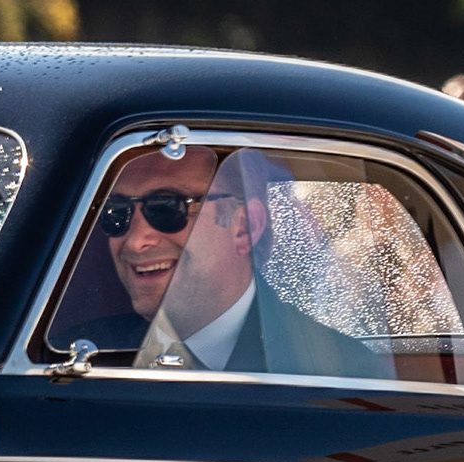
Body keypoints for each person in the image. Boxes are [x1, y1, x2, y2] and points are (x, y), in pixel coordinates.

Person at [80, 148, 389, 378]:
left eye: (165, 208)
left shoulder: (343, 372)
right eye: (116, 213)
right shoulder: (76, 356)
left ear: (245, 227)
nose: (136, 241)